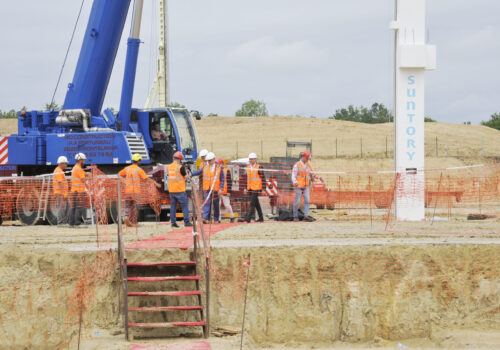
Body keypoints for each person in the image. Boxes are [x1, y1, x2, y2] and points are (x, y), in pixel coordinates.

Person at [191, 152, 224, 224]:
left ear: (214, 159)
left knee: (216, 205)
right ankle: (205, 218)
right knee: (207, 203)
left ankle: (216, 219)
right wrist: (191, 174)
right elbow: (199, 172)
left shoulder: (219, 168)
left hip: (216, 189)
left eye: (210, 160)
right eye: (208, 160)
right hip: (207, 188)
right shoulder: (205, 167)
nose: (209, 162)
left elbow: (222, 179)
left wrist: (221, 188)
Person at [118, 153, 149, 227]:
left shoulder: (127, 168)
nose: (140, 162)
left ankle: (126, 217)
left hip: (128, 191)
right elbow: (145, 179)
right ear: (138, 161)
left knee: (128, 206)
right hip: (136, 192)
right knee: (135, 207)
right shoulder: (139, 170)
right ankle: (133, 222)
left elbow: (119, 174)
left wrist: (123, 180)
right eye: (140, 160)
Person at [166, 151, 193, 228]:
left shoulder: (169, 166)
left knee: (173, 207)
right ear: (179, 159)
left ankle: (173, 222)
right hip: (180, 190)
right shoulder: (180, 167)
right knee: (184, 206)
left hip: (172, 190)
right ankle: (187, 222)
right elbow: (186, 177)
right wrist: (187, 172)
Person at [242, 153, 266, 223]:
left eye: (252, 159)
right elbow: (246, 178)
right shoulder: (247, 167)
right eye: (250, 159)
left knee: (252, 203)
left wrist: (264, 189)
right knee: (256, 203)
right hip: (250, 188)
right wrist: (245, 188)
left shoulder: (259, 167)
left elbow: (263, 178)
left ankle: (248, 219)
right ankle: (261, 217)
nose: (251, 160)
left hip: (256, 187)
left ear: (255, 159)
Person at [292, 150, 314, 222]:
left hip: (306, 186)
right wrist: (296, 184)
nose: (308, 160)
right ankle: (295, 216)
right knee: (297, 202)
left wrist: (312, 177)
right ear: (303, 157)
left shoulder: (307, 164)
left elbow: (309, 173)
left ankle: (306, 216)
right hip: (298, 187)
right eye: (307, 158)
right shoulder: (297, 165)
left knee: (307, 201)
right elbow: (293, 176)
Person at [69, 153, 87, 226]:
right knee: (79, 207)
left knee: (73, 207)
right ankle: (77, 223)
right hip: (79, 191)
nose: (84, 161)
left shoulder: (74, 167)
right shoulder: (78, 169)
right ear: (80, 160)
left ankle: (71, 223)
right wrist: (90, 177)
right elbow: (83, 178)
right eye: (84, 160)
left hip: (74, 191)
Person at [217, 158, 235, 223]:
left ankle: (232, 217)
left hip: (224, 191)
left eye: (218, 163)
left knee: (227, 205)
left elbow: (230, 182)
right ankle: (218, 219)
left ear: (221, 164)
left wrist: (229, 191)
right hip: (218, 191)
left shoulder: (226, 171)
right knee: (217, 205)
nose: (217, 165)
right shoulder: (216, 171)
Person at [52, 156, 69, 224]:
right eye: (65, 163)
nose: (66, 165)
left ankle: (64, 221)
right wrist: (64, 192)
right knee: (61, 207)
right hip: (60, 193)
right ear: (61, 163)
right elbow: (60, 182)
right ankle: (61, 222)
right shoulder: (58, 171)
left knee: (66, 206)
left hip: (61, 192)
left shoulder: (59, 171)